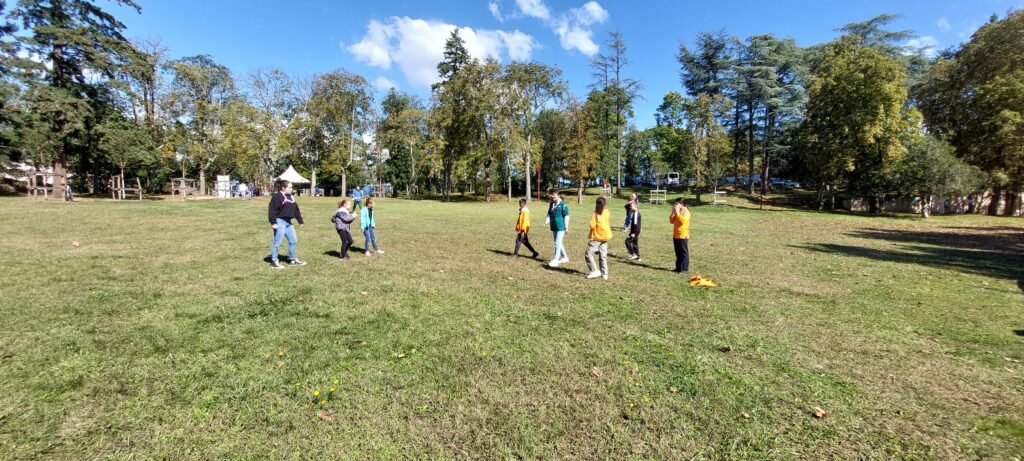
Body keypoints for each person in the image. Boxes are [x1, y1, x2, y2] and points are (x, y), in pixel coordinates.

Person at [267, 179, 306, 269]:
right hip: (279, 221)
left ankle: (292, 259)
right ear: (283, 188)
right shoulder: (277, 196)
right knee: (277, 242)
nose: (291, 189)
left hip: (288, 222)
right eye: (289, 187)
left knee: (293, 240)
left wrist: (300, 220)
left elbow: (296, 209)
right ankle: (274, 261)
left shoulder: (291, 197)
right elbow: (272, 209)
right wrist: (273, 222)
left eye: (291, 187)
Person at [585, 197, 612, 280]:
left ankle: (594, 270)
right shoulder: (607, 212)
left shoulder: (596, 213)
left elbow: (592, 225)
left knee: (588, 253)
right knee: (603, 255)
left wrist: (592, 218)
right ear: (604, 204)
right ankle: (604, 274)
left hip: (597, 237)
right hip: (606, 236)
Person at [545, 191, 570, 267]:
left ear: (559, 196)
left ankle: (555, 259)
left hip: (560, 227)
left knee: (557, 243)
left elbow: (566, 216)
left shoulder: (563, 204)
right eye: (552, 195)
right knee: (558, 242)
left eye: (554, 195)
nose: (552, 196)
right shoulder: (552, 204)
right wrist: (547, 220)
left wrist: (566, 227)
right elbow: (549, 213)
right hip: (553, 226)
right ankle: (565, 257)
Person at [669, 198, 691, 276]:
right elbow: (671, 221)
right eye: (675, 204)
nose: (675, 205)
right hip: (676, 235)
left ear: (682, 204)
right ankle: (678, 268)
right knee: (678, 252)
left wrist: (677, 212)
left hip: (683, 235)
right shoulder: (677, 212)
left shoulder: (686, 212)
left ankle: (685, 269)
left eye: (677, 204)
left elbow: (682, 221)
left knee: (684, 253)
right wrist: (673, 213)